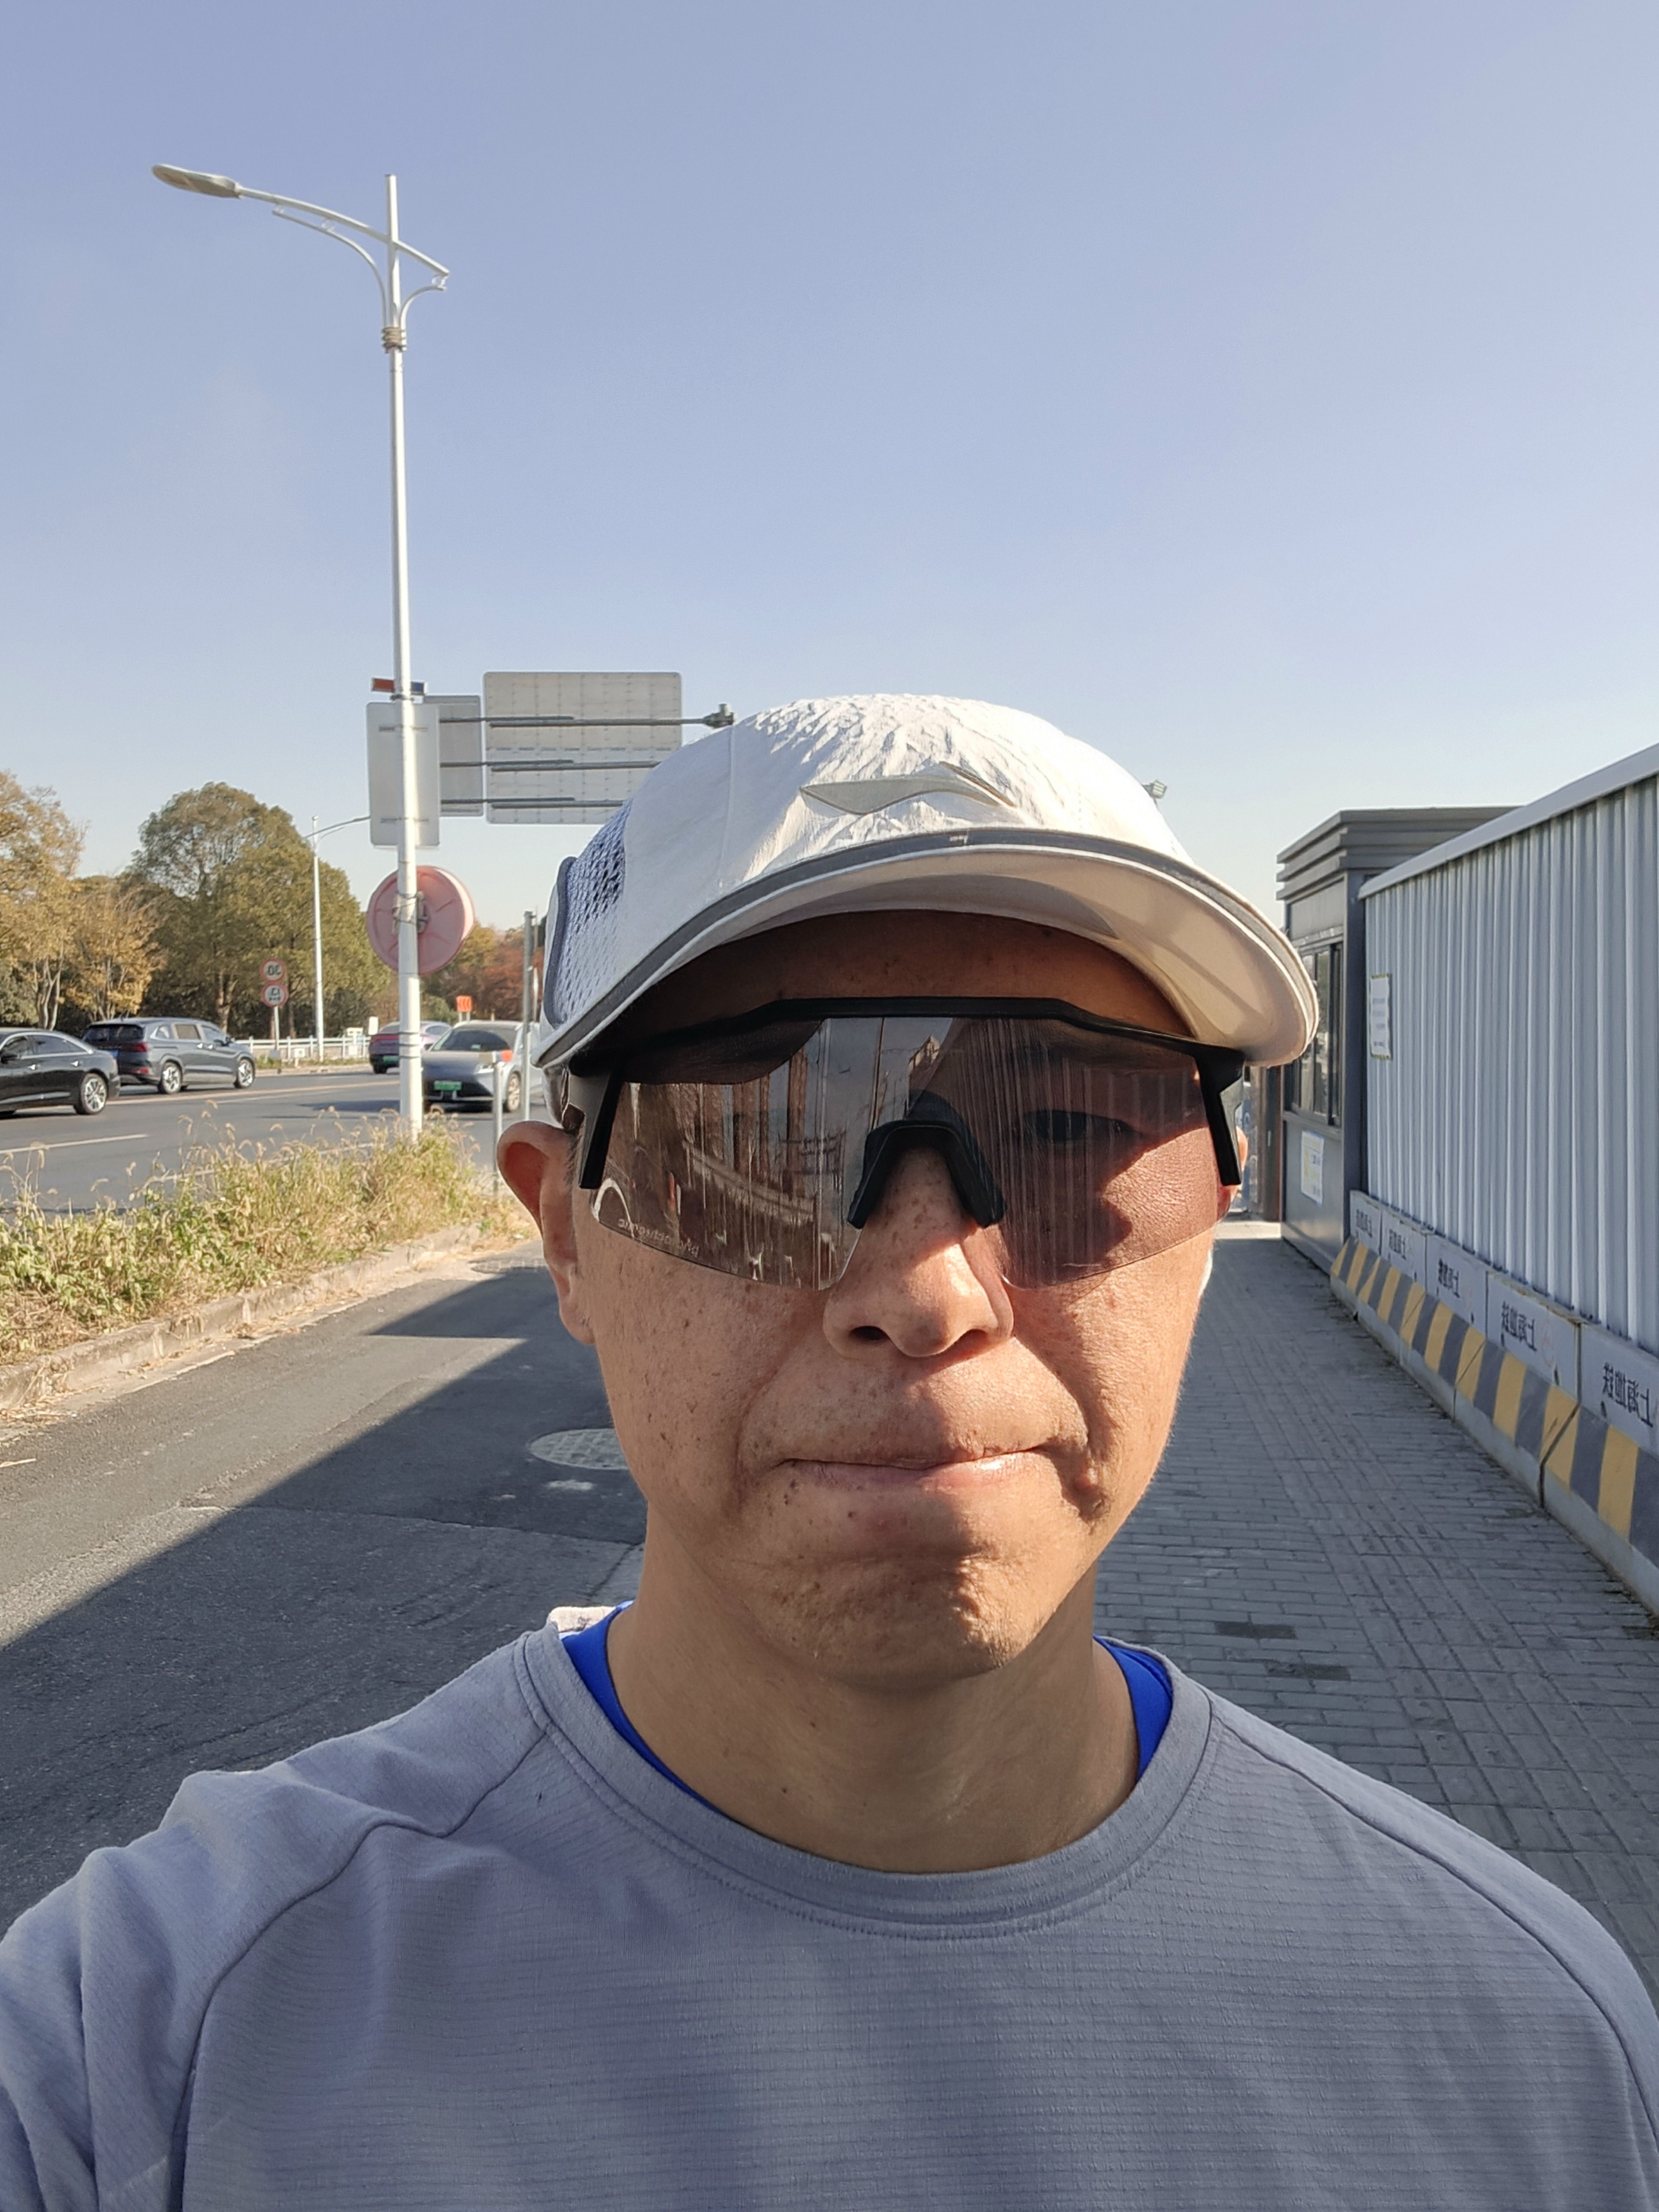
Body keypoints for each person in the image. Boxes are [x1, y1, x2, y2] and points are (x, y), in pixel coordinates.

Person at [1, 694, 1655, 2209]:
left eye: (1067, 1137)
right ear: (565, 1240)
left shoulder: (1531, 2054)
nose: (927, 1294)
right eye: (755, 1139)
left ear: (1213, 1220)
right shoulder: (148, 2047)